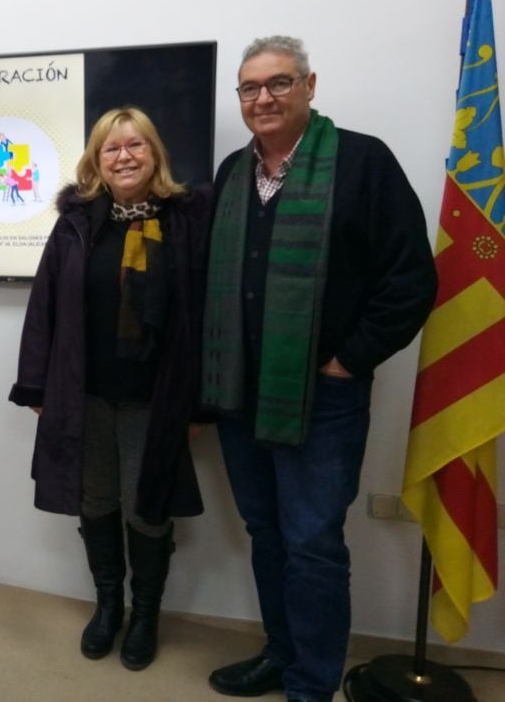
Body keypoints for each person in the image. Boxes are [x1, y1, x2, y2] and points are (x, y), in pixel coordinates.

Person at [201, 37, 436, 702]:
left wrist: (346, 361)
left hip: (323, 399)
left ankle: (312, 684)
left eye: (278, 83)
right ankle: (281, 653)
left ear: (309, 85)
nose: (263, 98)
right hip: (240, 392)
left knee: (313, 544)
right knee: (266, 531)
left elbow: (411, 279)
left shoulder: (361, 162)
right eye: (249, 88)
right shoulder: (230, 172)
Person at [9, 107, 211, 671]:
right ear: (96, 161)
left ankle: (146, 615)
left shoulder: (187, 221)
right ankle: (108, 607)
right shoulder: (77, 222)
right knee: (96, 500)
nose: (123, 157)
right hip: (85, 394)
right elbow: (44, 305)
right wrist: (36, 386)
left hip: (157, 398)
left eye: (135, 145)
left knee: (147, 509)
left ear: (155, 152)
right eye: (110, 149)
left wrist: (200, 404)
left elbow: (204, 314)